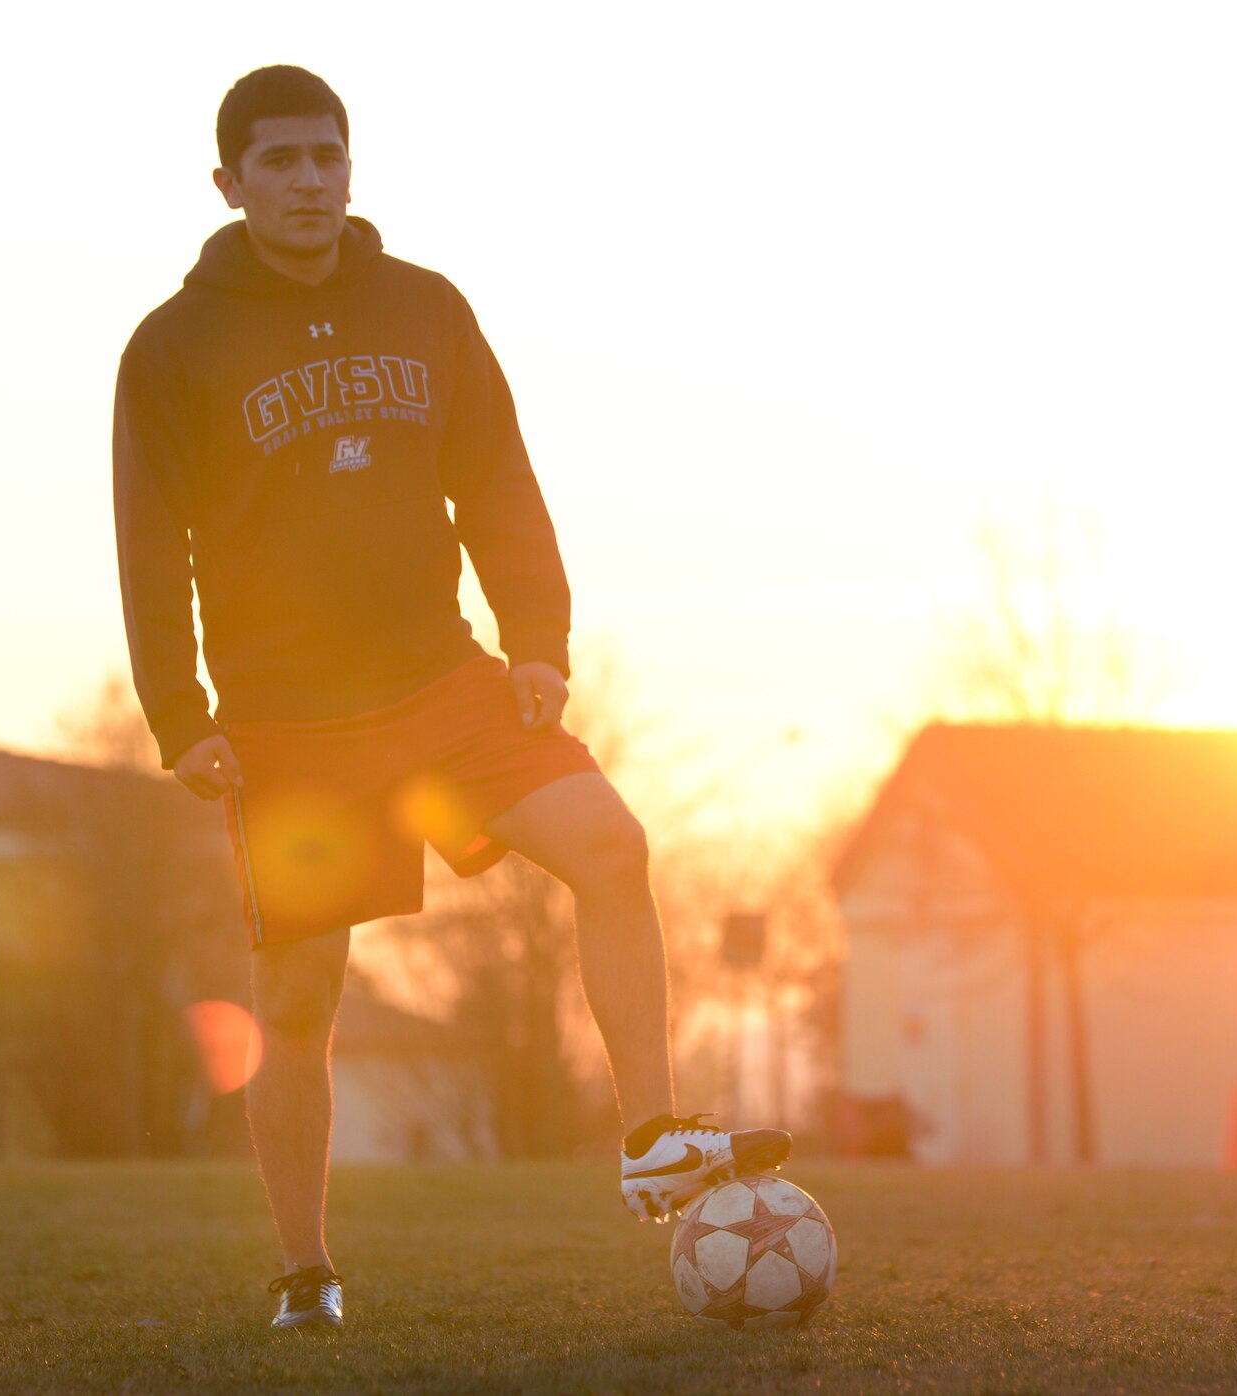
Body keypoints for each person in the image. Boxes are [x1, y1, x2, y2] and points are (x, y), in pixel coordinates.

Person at [112, 65, 790, 1331]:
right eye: (280, 163)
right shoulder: (172, 345)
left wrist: (536, 636)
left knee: (611, 843)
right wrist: (179, 712)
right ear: (229, 184)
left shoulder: (426, 307)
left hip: (443, 685)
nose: (310, 181)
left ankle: (648, 1133)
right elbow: (149, 543)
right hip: (286, 723)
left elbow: (496, 479)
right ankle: (306, 1271)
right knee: (300, 1001)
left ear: (351, 168)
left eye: (328, 157)